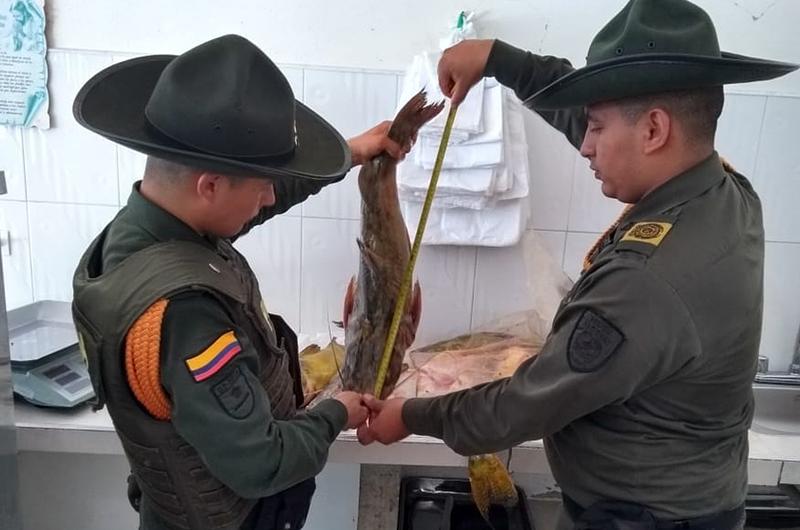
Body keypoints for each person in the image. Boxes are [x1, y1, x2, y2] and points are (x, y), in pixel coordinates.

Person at [357, 1, 798, 528]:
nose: (583, 145)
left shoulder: (647, 279)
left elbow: (523, 405)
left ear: (654, 130)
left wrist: (408, 416)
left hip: (642, 519)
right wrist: (499, 59)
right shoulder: (724, 192)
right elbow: (609, 128)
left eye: (594, 127)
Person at [70, 35, 404, 530]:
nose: (269, 197)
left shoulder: (146, 229)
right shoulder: (185, 310)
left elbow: (246, 203)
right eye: (262, 183)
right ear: (210, 185)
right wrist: (336, 413)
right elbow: (260, 462)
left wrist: (349, 154)